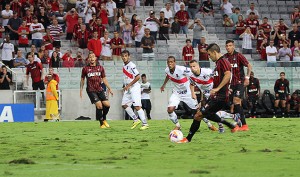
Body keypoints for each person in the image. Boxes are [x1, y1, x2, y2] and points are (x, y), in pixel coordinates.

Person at [178, 43, 239, 143]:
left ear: (214, 52)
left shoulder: (223, 61)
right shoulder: (219, 63)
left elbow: (228, 75)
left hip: (220, 96)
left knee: (198, 115)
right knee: (204, 114)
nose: (209, 57)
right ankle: (230, 125)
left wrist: (218, 88)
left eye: (209, 55)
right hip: (215, 96)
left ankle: (187, 139)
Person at [188, 60, 242, 132]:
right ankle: (232, 117)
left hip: (216, 94)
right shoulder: (191, 76)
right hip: (207, 94)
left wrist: (225, 88)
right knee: (209, 112)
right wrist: (192, 93)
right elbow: (192, 84)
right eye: (191, 67)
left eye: (194, 66)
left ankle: (223, 124)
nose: (192, 68)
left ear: (198, 66)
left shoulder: (207, 72)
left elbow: (219, 78)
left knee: (208, 112)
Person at [160, 56, 197, 130]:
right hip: (177, 93)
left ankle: (209, 124)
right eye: (168, 62)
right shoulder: (167, 70)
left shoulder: (181, 69)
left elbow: (193, 74)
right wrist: (163, 85)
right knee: (170, 109)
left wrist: (193, 90)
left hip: (187, 93)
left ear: (174, 63)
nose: (170, 64)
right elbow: (168, 76)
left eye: (171, 62)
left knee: (198, 110)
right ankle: (177, 125)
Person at [224, 40, 252, 131]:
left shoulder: (238, 55)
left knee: (236, 101)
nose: (228, 47)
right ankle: (241, 124)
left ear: (233, 46)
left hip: (239, 82)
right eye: (227, 46)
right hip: (230, 84)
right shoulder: (224, 58)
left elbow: (249, 66)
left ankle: (243, 125)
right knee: (234, 104)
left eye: (230, 45)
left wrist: (247, 77)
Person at [80, 52, 113, 128]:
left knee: (107, 105)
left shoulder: (100, 68)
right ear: (88, 59)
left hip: (100, 89)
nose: (92, 58)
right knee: (99, 106)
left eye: (93, 57)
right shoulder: (85, 69)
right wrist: (81, 90)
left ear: (95, 58)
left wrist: (109, 88)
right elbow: (82, 80)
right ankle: (101, 124)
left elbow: (104, 79)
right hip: (91, 90)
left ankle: (104, 118)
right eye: (90, 57)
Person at [121, 50, 149, 130]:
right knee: (124, 104)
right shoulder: (124, 65)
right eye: (123, 56)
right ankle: (136, 119)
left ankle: (145, 123)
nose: (124, 57)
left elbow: (137, 76)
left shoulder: (131, 65)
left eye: (126, 56)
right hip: (128, 88)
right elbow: (127, 77)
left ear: (129, 56)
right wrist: (125, 85)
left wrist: (129, 85)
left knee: (137, 106)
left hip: (134, 88)